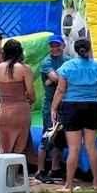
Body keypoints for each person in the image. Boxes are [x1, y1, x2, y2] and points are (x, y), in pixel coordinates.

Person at [51, 37, 97, 192]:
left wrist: (54, 108)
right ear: (90, 49)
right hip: (93, 106)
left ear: (75, 50)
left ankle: (68, 184)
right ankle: (96, 183)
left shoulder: (67, 66)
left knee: (74, 148)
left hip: (71, 106)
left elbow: (61, 90)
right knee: (92, 147)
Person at [0, 39, 34, 156]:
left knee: (3, 148)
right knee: (18, 151)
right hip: (20, 111)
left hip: (2, 111)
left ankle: (0, 169)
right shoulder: (24, 69)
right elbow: (31, 93)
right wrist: (30, 101)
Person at [35, 38, 68, 184]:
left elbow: (56, 79)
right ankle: (40, 170)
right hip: (50, 105)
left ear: (63, 46)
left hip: (64, 104)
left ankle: (55, 168)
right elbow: (55, 78)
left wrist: (55, 79)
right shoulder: (46, 62)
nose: (55, 48)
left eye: (57, 45)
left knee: (59, 137)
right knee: (47, 136)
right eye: (52, 46)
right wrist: (61, 78)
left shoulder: (68, 60)